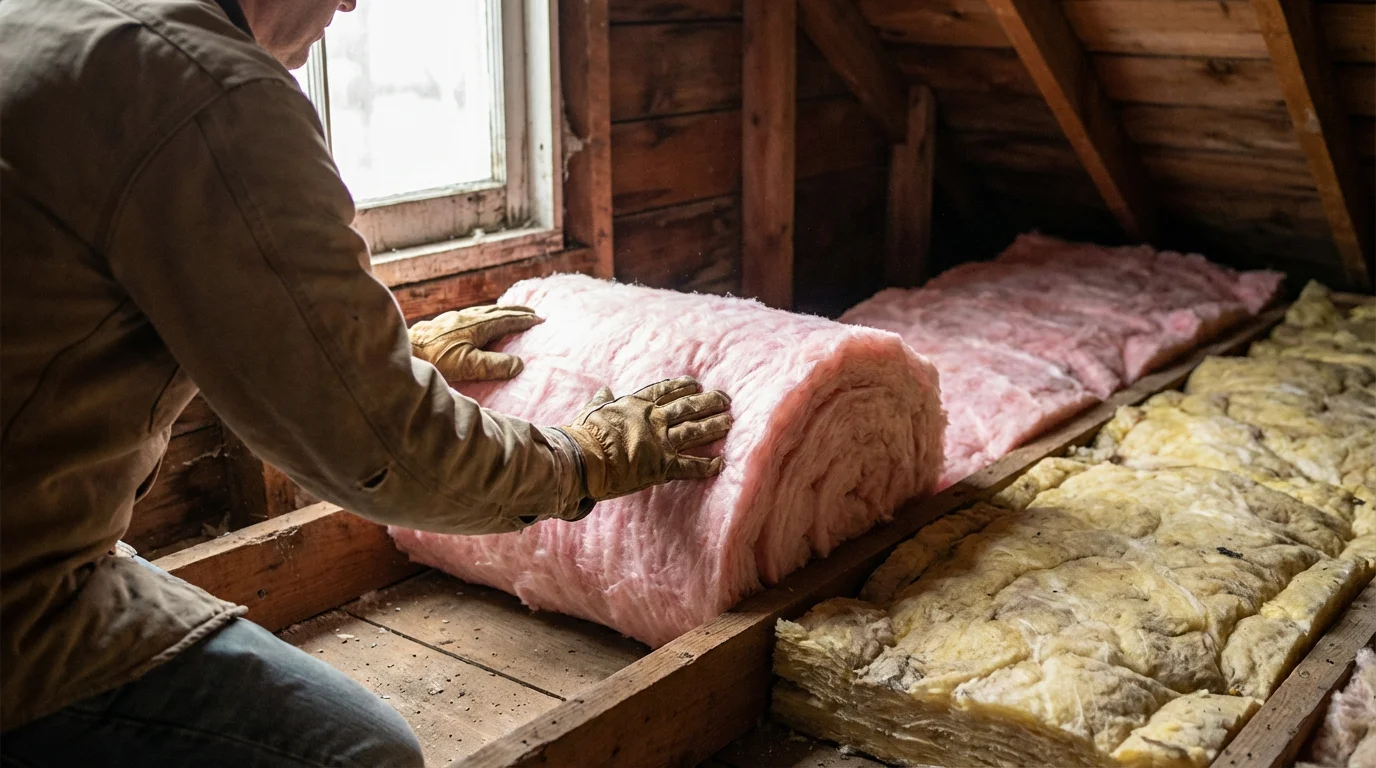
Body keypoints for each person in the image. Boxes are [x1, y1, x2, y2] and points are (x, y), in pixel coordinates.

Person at [0, 0, 733, 763]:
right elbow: (383, 451)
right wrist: (584, 461)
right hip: (20, 606)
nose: (351, 1)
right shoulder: (206, 90)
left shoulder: (57, 18)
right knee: (371, 754)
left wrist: (382, 357)